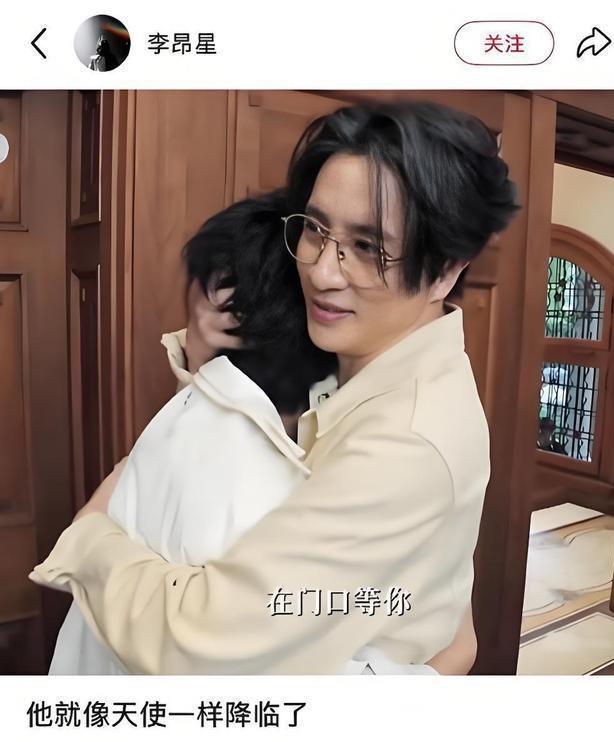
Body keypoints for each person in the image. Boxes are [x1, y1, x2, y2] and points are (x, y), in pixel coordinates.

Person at [32, 99, 520, 674]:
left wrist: (89, 537)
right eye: (314, 228)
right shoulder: (359, 357)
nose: (321, 271)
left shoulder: (407, 441)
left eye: (368, 247)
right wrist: (208, 364)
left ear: (446, 271)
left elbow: (201, 643)